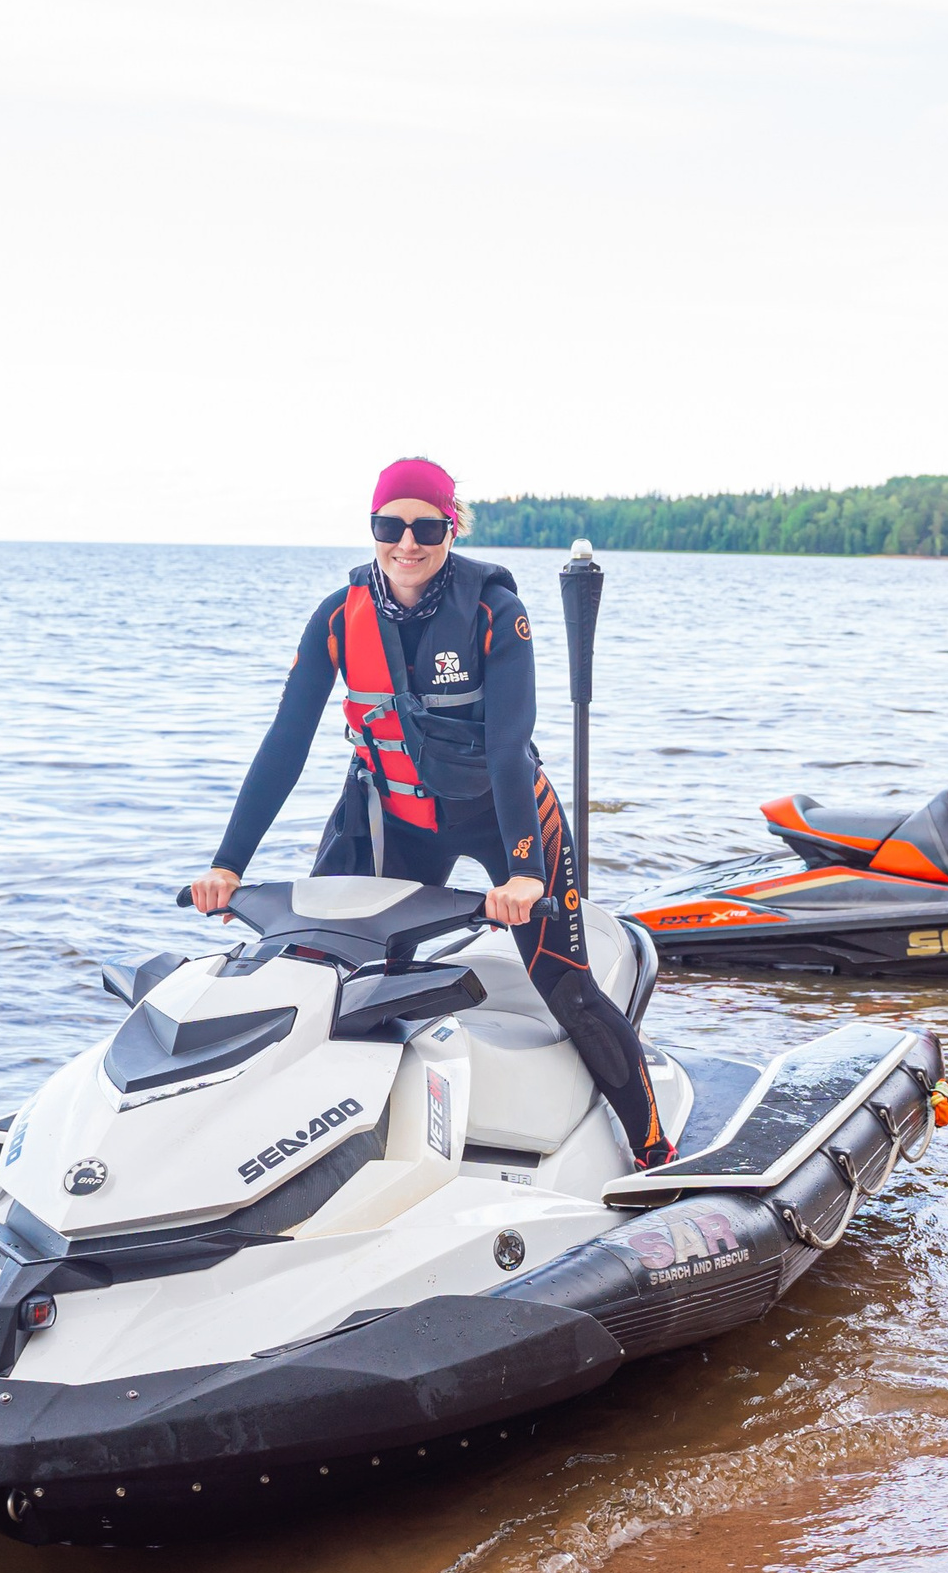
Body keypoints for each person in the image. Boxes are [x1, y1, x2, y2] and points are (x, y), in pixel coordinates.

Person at [188, 456, 670, 1168]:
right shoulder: (336, 617)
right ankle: (295, 1152)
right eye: (390, 525)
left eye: (427, 526)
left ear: (452, 529)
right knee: (320, 974)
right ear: (372, 528)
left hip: (503, 816)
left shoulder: (493, 611)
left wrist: (526, 875)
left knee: (567, 988)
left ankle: (655, 1152)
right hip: (391, 815)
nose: (406, 543)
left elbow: (509, 750)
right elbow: (285, 742)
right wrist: (228, 864)